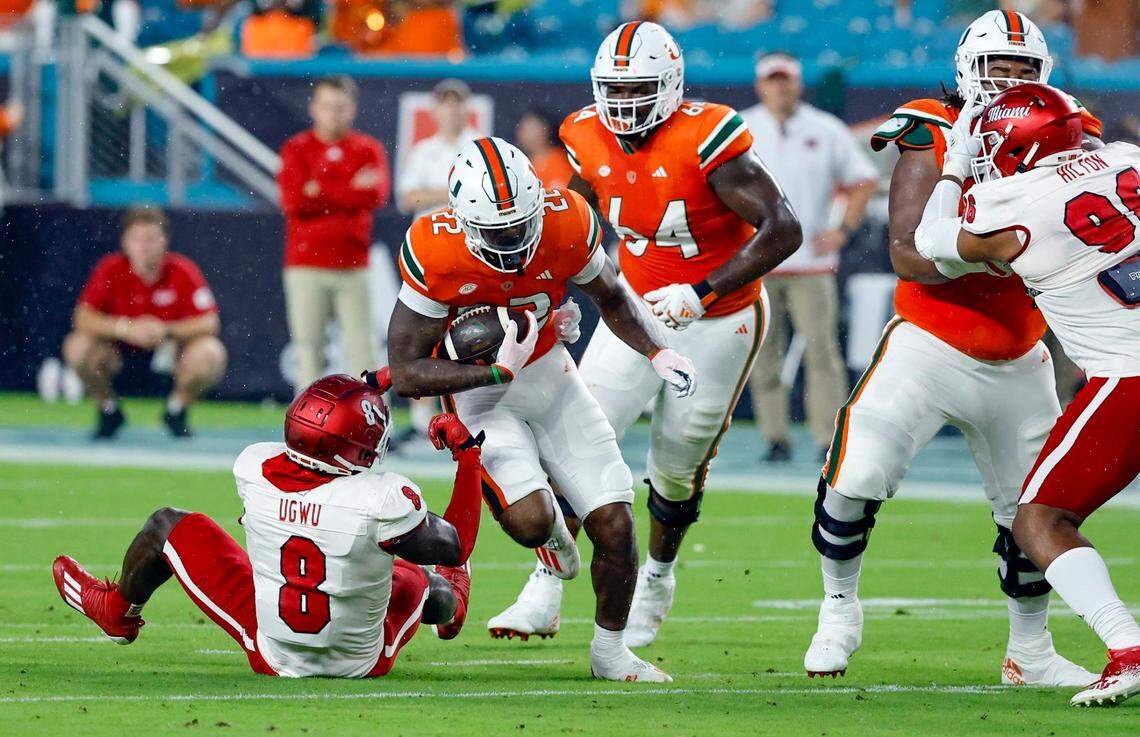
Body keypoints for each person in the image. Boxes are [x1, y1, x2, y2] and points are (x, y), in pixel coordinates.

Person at [803, 10, 1100, 686]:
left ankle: (1030, 650)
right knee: (855, 475)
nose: (1007, 82)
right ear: (968, 68)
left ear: (1045, 77)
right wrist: (995, 253)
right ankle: (838, 605)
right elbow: (908, 253)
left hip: (1021, 353)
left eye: (1023, 70)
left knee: (1035, 513)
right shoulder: (933, 125)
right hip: (928, 344)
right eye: (997, 67)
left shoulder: (1070, 131)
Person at [489, 21, 801, 648]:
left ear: (671, 85)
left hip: (721, 318)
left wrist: (701, 290)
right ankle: (547, 585)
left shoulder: (707, 135)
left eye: (639, 89)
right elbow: (569, 224)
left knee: (675, 467)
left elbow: (783, 228)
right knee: (580, 435)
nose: (625, 104)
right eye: (614, 89)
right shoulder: (583, 132)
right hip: (633, 313)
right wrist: (551, 297)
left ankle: (657, 576)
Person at [386, 135, 698, 682]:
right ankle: (551, 544)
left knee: (616, 523)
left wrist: (657, 351)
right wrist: (492, 370)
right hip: (480, 392)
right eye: (495, 229)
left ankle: (610, 654)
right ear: (461, 218)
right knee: (531, 522)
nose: (510, 239)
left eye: (518, 223)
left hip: (552, 376)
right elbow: (407, 370)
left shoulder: (566, 219)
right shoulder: (434, 247)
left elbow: (613, 296)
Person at [913, 82, 1140, 707]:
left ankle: (1126, 647)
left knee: (1039, 518)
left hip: (1129, 375)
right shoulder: (1130, 159)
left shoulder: (1007, 199)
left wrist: (956, 167)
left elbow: (931, 243)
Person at [52, 372, 482, 678]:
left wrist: (370, 383)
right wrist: (467, 455)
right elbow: (457, 543)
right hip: (360, 662)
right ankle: (455, 608)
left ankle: (117, 612)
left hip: (271, 649)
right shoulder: (382, 498)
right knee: (428, 584)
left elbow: (324, 438)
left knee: (167, 525)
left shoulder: (254, 465)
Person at [741, 52, 878, 463]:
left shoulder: (825, 128)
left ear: (798, 83)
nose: (780, 87)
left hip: (811, 264)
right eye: (773, 80)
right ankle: (776, 436)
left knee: (822, 354)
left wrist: (844, 230)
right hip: (758, 264)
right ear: (761, 84)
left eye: (786, 79)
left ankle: (826, 437)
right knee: (764, 356)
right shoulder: (741, 127)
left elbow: (864, 180)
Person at [63, 207, 226, 439]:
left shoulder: (182, 270)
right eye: (137, 238)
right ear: (125, 242)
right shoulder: (111, 269)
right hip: (117, 353)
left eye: (151, 238)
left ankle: (176, 409)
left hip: (169, 355)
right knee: (77, 347)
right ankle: (108, 408)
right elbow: (82, 316)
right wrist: (125, 328)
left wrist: (166, 331)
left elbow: (209, 321)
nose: (144, 246)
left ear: (165, 241)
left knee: (211, 352)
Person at [278, 75, 390, 394]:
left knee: (363, 350)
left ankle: (371, 422)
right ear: (314, 108)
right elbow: (294, 200)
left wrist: (319, 191)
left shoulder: (368, 148)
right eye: (328, 106)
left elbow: (376, 194)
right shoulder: (297, 148)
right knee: (308, 349)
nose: (334, 114)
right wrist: (349, 189)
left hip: (353, 263)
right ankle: (306, 431)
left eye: (340, 107)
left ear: (352, 109)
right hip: (306, 263)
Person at [395, 78, 481, 436]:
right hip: (430, 254)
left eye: (457, 102)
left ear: (467, 107)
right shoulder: (424, 150)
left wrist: (432, 195)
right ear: (434, 109)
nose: (451, 109)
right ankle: (422, 417)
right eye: (445, 103)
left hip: (471, 252)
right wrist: (452, 192)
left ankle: (468, 410)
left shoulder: (478, 146)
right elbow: (406, 198)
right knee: (423, 333)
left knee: (467, 331)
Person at [515, 108, 574, 191]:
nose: (521, 132)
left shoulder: (559, 163)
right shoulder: (524, 165)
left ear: (544, 130)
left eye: (530, 128)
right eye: (522, 127)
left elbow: (567, 199)